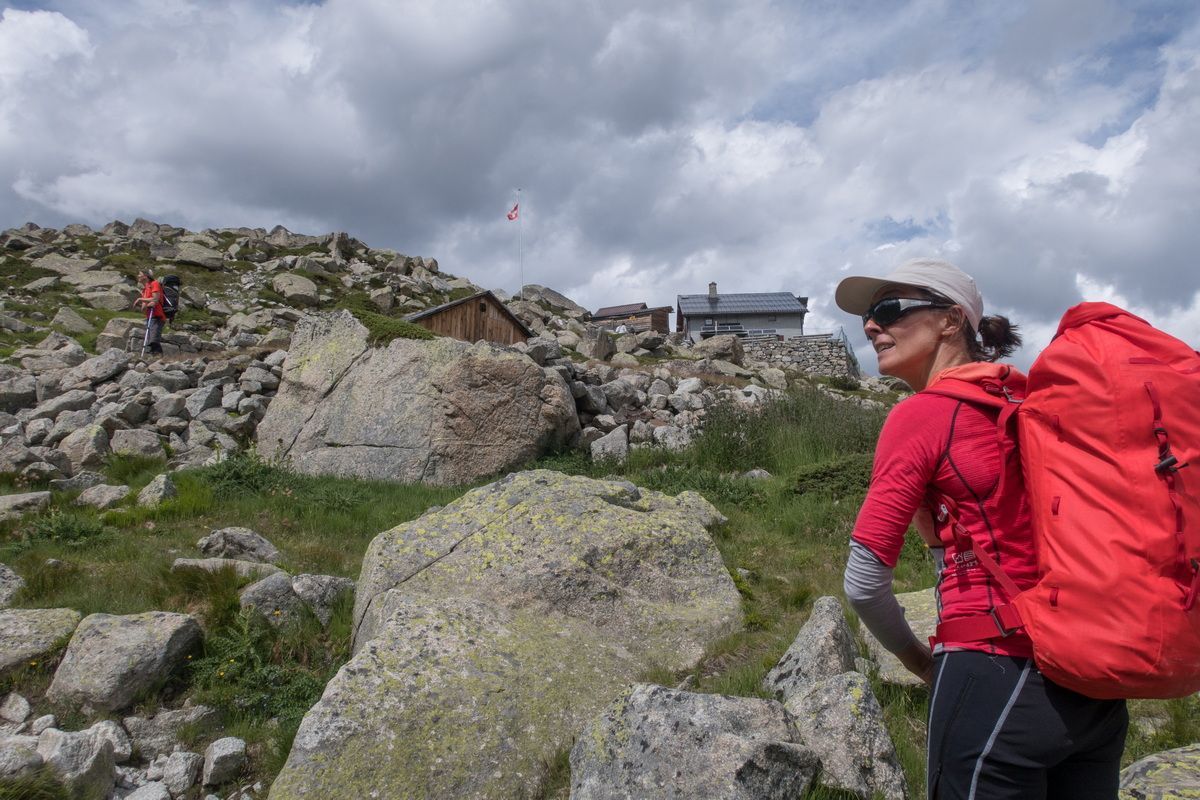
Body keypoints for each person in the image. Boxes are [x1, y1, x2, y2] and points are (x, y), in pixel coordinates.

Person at [835, 258, 1127, 799]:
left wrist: (920, 663)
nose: (871, 325)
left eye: (888, 309)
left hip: (993, 674)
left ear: (950, 320)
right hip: (1094, 683)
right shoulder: (1028, 405)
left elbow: (864, 583)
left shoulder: (922, 415)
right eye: (869, 317)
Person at [134, 269, 166, 356]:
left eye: (140, 274)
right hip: (150, 316)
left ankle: (159, 359)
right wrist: (142, 304)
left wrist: (140, 299)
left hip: (157, 316)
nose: (138, 276)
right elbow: (144, 307)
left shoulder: (154, 284)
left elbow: (155, 298)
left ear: (146, 276)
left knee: (153, 339)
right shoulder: (145, 289)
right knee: (150, 339)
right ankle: (155, 358)